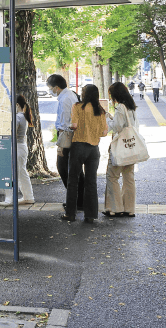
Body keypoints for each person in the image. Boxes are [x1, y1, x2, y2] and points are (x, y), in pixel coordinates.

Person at [61, 84, 108, 223]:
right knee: (91, 182)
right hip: (94, 149)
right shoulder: (100, 110)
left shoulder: (77, 107)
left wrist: (70, 126)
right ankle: (90, 215)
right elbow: (104, 132)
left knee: (73, 181)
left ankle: (70, 214)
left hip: (78, 146)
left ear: (85, 94)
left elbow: (74, 125)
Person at [46, 74, 84, 209]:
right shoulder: (69, 95)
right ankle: (78, 200)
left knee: (64, 168)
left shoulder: (65, 99)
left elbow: (65, 122)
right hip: (71, 134)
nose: (50, 90)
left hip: (67, 134)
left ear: (56, 87)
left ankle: (75, 201)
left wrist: (60, 146)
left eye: (50, 88)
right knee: (74, 169)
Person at [103, 82, 138, 218]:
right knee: (129, 177)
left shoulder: (119, 107)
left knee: (112, 177)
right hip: (131, 147)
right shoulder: (131, 107)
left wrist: (107, 119)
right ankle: (129, 209)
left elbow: (116, 127)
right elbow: (127, 124)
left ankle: (115, 208)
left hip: (119, 147)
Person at [0, 94, 35, 206]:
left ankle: (9, 199)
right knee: (21, 173)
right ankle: (28, 197)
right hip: (21, 147)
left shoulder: (17, 117)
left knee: (9, 173)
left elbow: (11, 134)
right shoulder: (23, 116)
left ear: (16, 105)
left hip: (15, 148)